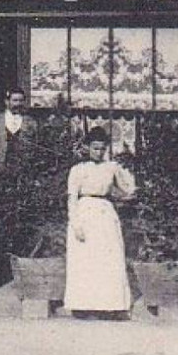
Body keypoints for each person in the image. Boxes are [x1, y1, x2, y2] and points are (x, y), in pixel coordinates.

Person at [64, 126, 136, 316]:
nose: (99, 152)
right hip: (85, 212)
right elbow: (72, 198)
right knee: (85, 260)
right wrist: (75, 224)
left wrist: (125, 170)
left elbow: (129, 190)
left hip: (105, 214)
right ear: (87, 147)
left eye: (102, 148)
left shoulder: (111, 168)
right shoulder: (78, 170)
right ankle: (83, 305)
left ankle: (109, 306)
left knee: (107, 259)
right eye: (95, 148)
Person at [0, 88, 38, 173]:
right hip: (0, 170)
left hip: (23, 171)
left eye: (21, 101)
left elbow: (35, 147)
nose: (18, 104)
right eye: (15, 100)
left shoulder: (31, 122)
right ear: (7, 102)